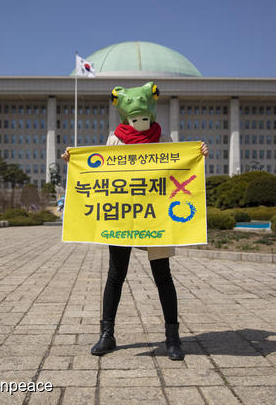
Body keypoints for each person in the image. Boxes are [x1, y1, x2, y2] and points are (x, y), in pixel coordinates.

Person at [62, 82, 208, 361]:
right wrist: (73, 160)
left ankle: (172, 337)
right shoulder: (114, 139)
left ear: (151, 116)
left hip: (156, 218)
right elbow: (100, 174)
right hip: (122, 217)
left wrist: (198, 154)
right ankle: (107, 334)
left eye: (143, 117)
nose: (139, 122)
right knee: (116, 274)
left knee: (162, 275)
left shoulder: (163, 140)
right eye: (134, 118)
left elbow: (180, 167)